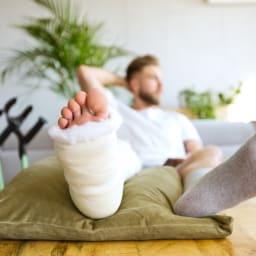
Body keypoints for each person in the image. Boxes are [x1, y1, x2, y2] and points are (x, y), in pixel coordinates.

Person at [49, 55, 256, 219]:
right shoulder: (116, 109)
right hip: (135, 164)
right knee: (121, 149)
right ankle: (89, 153)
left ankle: (198, 194)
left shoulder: (177, 118)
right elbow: (85, 72)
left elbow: (195, 150)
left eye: (161, 79)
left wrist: (189, 160)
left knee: (211, 152)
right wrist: (126, 82)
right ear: (135, 84)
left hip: (178, 168)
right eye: (153, 78)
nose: (161, 85)